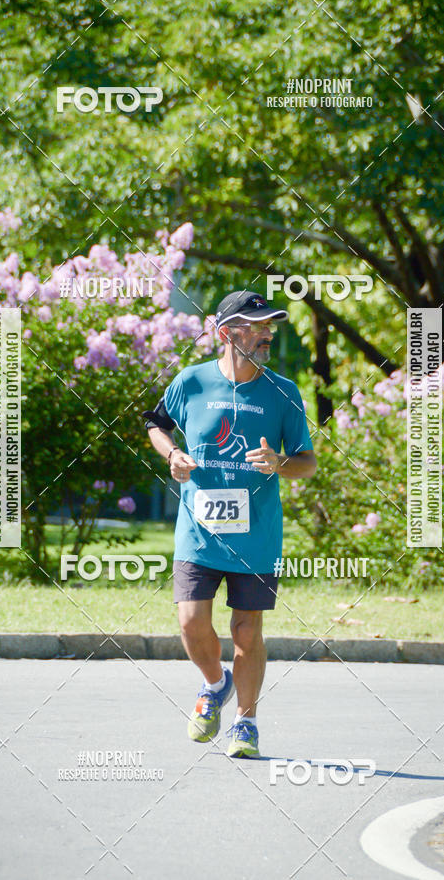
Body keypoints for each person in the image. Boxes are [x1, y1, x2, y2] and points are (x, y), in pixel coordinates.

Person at [143, 290, 316, 758]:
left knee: (246, 632)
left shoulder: (284, 391)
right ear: (225, 333)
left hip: (256, 535)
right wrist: (173, 454)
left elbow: (307, 462)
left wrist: (279, 463)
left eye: (269, 327)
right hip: (198, 531)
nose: (266, 334)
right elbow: (156, 424)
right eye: (254, 326)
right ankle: (214, 684)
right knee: (191, 621)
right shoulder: (191, 382)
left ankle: (246, 721)